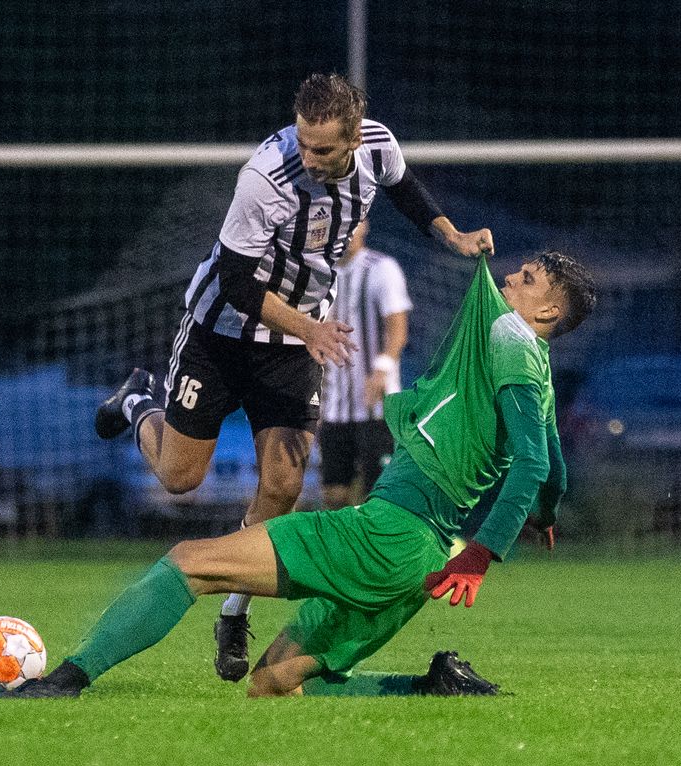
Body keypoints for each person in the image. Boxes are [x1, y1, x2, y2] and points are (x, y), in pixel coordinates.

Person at [0, 250, 597, 699]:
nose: (511, 277)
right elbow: (554, 472)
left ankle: (67, 681)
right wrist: (542, 516)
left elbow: (535, 465)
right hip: (422, 559)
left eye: (529, 280)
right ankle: (432, 685)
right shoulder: (538, 371)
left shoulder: (511, 335)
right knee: (275, 683)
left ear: (546, 310)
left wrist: (483, 554)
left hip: (389, 537)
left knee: (187, 562)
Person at [93, 73, 494, 683]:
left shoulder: (379, 146)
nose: (309, 157)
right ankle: (140, 402)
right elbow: (235, 281)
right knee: (179, 478)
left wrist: (452, 235)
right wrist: (310, 329)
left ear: (355, 137)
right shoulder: (264, 178)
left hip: (292, 343)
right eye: (303, 144)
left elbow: (406, 189)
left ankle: (234, 609)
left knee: (282, 483)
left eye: (324, 149)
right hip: (220, 334)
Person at [319, 220, 411, 510]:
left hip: (377, 406)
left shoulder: (382, 268)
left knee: (378, 493)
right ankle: (340, 554)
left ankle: (376, 552)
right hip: (334, 405)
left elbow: (397, 326)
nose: (346, 232)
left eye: (352, 225)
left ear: (365, 227)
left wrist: (382, 369)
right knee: (334, 496)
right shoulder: (322, 275)